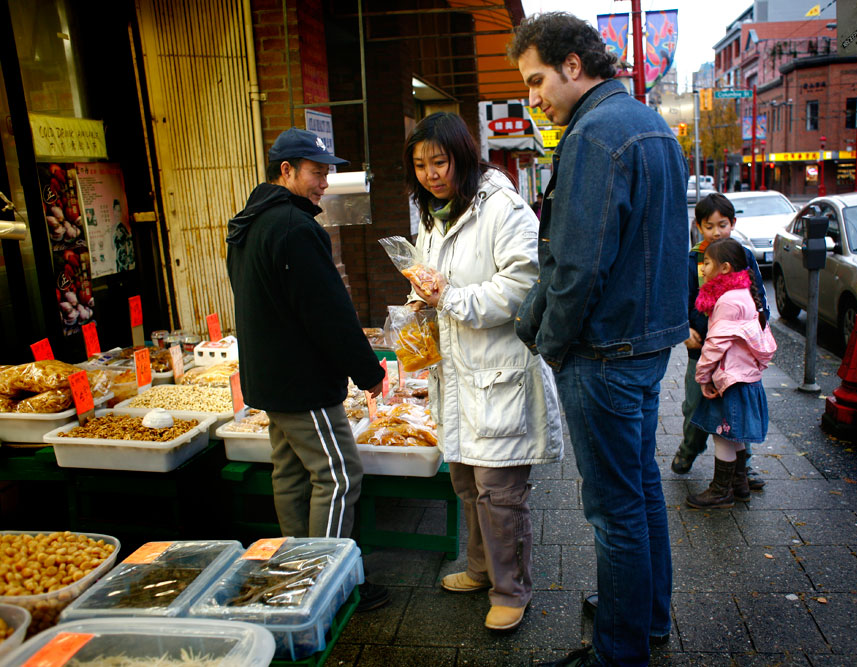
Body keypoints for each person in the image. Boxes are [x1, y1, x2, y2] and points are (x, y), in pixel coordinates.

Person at [509, 13, 689, 666]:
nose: (533, 97)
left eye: (536, 81)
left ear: (573, 66)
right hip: (644, 346)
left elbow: (577, 265)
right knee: (639, 492)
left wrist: (550, 344)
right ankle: (647, 618)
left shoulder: (592, 136)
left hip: (604, 352)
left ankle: (619, 649)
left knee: (615, 512)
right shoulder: (650, 125)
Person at [401, 112, 564, 632]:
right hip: (456, 373)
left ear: (463, 157)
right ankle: (479, 568)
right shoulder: (432, 214)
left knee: (501, 493)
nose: (431, 173)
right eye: (421, 165)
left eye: (440, 161)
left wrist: (450, 298)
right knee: (467, 481)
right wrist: (421, 302)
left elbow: (523, 285)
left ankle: (511, 590)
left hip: (499, 373)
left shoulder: (502, 207)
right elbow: (434, 279)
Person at [226, 127, 388, 611]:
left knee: (292, 473)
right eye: (317, 173)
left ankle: (294, 575)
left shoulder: (247, 223)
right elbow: (328, 311)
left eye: (327, 173)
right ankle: (329, 584)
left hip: (271, 379)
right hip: (302, 383)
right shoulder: (295, 228)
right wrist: (367, 371)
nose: (324, 183)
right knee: (339, 476)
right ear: (286, 171)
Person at [671, 193, 769, 496]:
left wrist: (759, 328)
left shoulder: (742, 255)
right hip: (700, 350)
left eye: (722, 225)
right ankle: (690, 448)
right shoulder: (692, 260)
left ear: (733, 223)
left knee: (734, 411)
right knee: (695, 404)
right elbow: (678, 300)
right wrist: (684, 328)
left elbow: (758, 296)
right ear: (699, 226)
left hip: (736, 356)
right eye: (709, 226)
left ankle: (743, 468)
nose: (716, 232)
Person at [686, 238, 776, 509]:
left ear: (724, 268)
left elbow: (715, 344)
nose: (703, 269)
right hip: (743, 378)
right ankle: (740, 484)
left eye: (708, 263)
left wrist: (702, 375)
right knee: (734, 435)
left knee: (723, 434)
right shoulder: (745, 293)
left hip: (729, 380)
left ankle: (720, 491)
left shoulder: (727, 300)